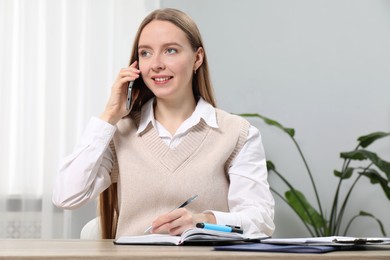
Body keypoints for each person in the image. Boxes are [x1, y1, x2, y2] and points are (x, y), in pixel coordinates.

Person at [52, 8, 275, 239]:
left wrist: (204, 220)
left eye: (170, 50)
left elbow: (261, 221)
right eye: (146, 53)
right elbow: (67, 196)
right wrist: (109, 115)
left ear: (197, 58)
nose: (156, 64)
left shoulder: (236, 134)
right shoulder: (119, 134)